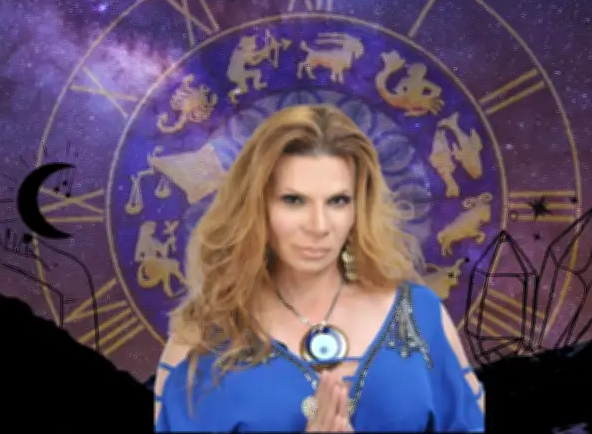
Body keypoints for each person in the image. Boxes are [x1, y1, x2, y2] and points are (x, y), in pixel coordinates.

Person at [154, 104, 485, 432]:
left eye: (338, 201)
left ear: (360, 206)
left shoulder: (421, 314)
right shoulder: (199, 335)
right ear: (256, 205)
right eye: (293, 200)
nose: (319, 226)